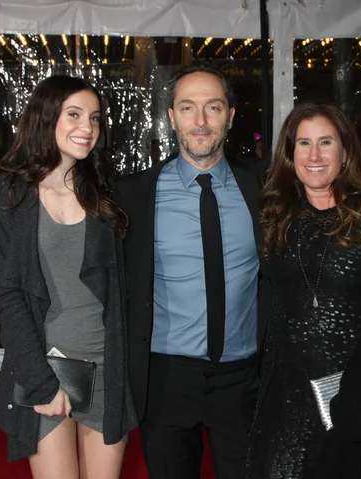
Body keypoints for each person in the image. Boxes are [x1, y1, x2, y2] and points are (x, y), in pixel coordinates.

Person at [0, 75, 137, 478]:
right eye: (74, 114)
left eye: (95, 118)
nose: (88, 127)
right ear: (46, 118)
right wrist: (41, 382)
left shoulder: (105, 194)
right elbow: (7, 296)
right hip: (45, 369)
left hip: (107, 370)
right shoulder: (9, 195)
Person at [116, 63, 262, 479]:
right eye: (187, 108)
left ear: (231, 116)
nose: (200, 122)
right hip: (164, 380)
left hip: (243, 379)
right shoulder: (134, 194)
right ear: (171, 116)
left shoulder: (265, 186)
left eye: (213, 107)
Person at [246, 101, 361, 478]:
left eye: (326, 142)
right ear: (290, 153)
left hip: (354, 390)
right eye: (303, 143)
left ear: (345, 151)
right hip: (284, 393)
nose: (314, 155)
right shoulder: (273, 214)